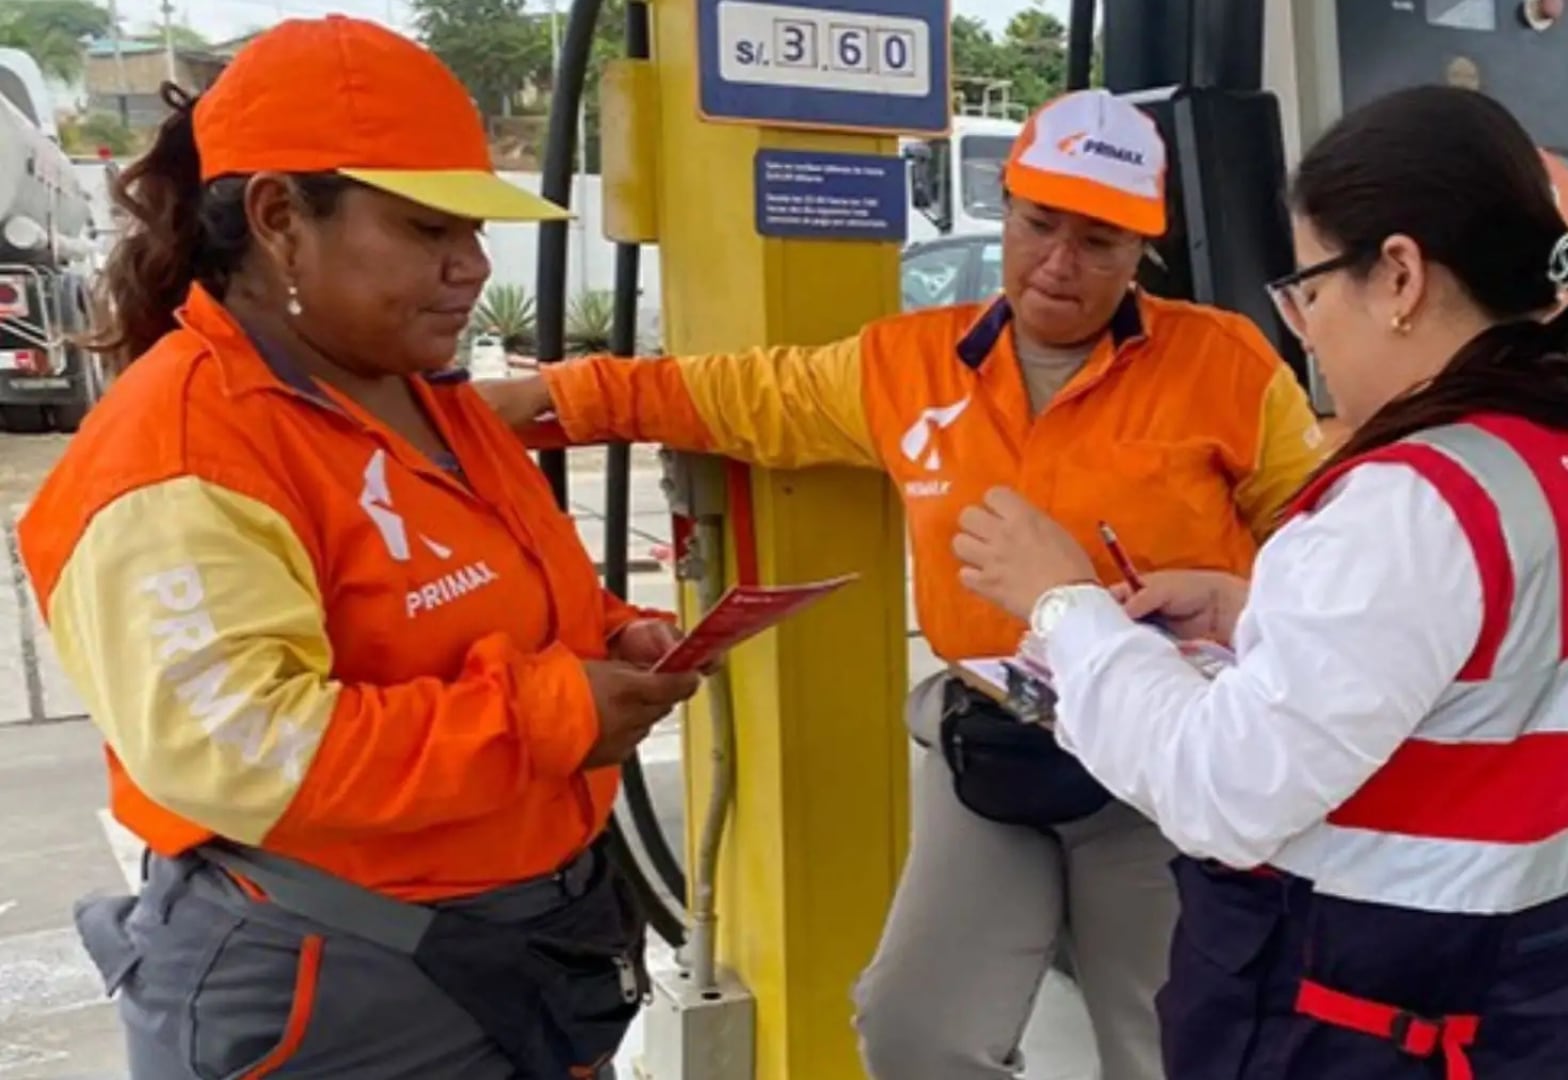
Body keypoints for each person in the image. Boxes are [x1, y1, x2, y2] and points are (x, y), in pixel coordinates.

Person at [480, 88, 1330, 1080]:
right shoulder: (909, 364)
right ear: (1003, 211)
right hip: (991, 748)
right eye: (1039, 223)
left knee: (1168, 1046)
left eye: (1099, 241)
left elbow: (1315, 545)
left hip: (1158, 764)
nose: (1059, 262)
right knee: (913, 1031)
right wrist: (545, 399)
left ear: (1146, 247)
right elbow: (729, 392)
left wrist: (1227, 590)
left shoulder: (1223, 362)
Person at [16, 17, 703, 1079]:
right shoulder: (187, 454)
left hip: (523, 952)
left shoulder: (414, 389)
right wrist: (554, 715)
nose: (471, 267)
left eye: (473, 232)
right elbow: (243, 749)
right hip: (343, 994)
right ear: (281, 217)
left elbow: (509, 580)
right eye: (431, 229)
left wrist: (615, 634)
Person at [951, 85, 1568, 1080]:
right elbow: (1493, 665)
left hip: (1363, 1023)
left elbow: (1225, 791)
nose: (1306, 334)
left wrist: (1063, 606)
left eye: (1312, 292)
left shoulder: (1416, 498)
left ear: (1402, 276)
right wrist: (1256, 611)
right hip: (1522, 1006)